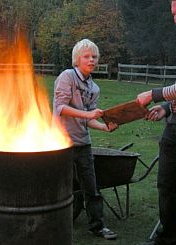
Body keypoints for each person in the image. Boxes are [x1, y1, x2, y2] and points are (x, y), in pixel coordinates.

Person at [136, 0, 176, 244]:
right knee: (166, 186)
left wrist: (154, 95)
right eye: (173, 13)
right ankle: (167, 238)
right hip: (174, 125)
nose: (175, 18)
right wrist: (167, 107)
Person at [53, 38, 118, 240]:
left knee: (91, 187)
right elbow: (60, 108)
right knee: (61, 187)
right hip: (60, 144)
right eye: (86, 56)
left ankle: (97, 226)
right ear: (76, 59)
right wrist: (88, 115)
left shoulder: (94, 88)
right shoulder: (67, 77)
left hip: (83, 144)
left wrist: (104, 127)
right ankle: (54, 223)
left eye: (94, 56)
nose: (91, 60)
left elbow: (89, 119)